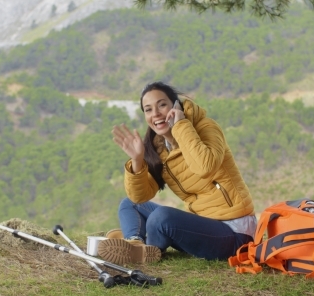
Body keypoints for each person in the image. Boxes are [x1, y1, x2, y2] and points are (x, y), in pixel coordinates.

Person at [97, 81, 256, 265]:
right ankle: (135, 242)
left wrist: (180, 124)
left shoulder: (206, 127)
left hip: (235, 232)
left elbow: (205, 166)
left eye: (162, 105)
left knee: (161, 218)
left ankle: (145, 245)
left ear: (176, 105)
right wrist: (137, 160)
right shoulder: (159, 148)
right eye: (148, 110)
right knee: (130, 204)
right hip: (202, 224)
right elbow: (139, 196)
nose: (155, 114)